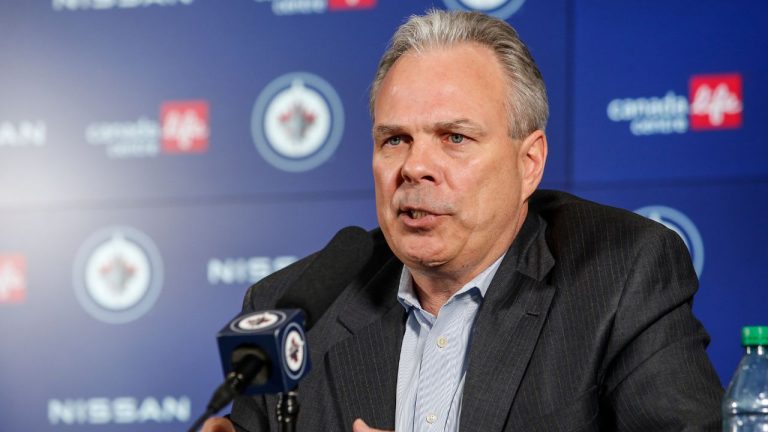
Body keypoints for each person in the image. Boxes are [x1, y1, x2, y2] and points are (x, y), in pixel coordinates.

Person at [202, 9, 723, 432]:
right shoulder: (291, 308)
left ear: (529, 163)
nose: (415, 166)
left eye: (454, 137)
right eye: (395, 139)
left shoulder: (621, 273)